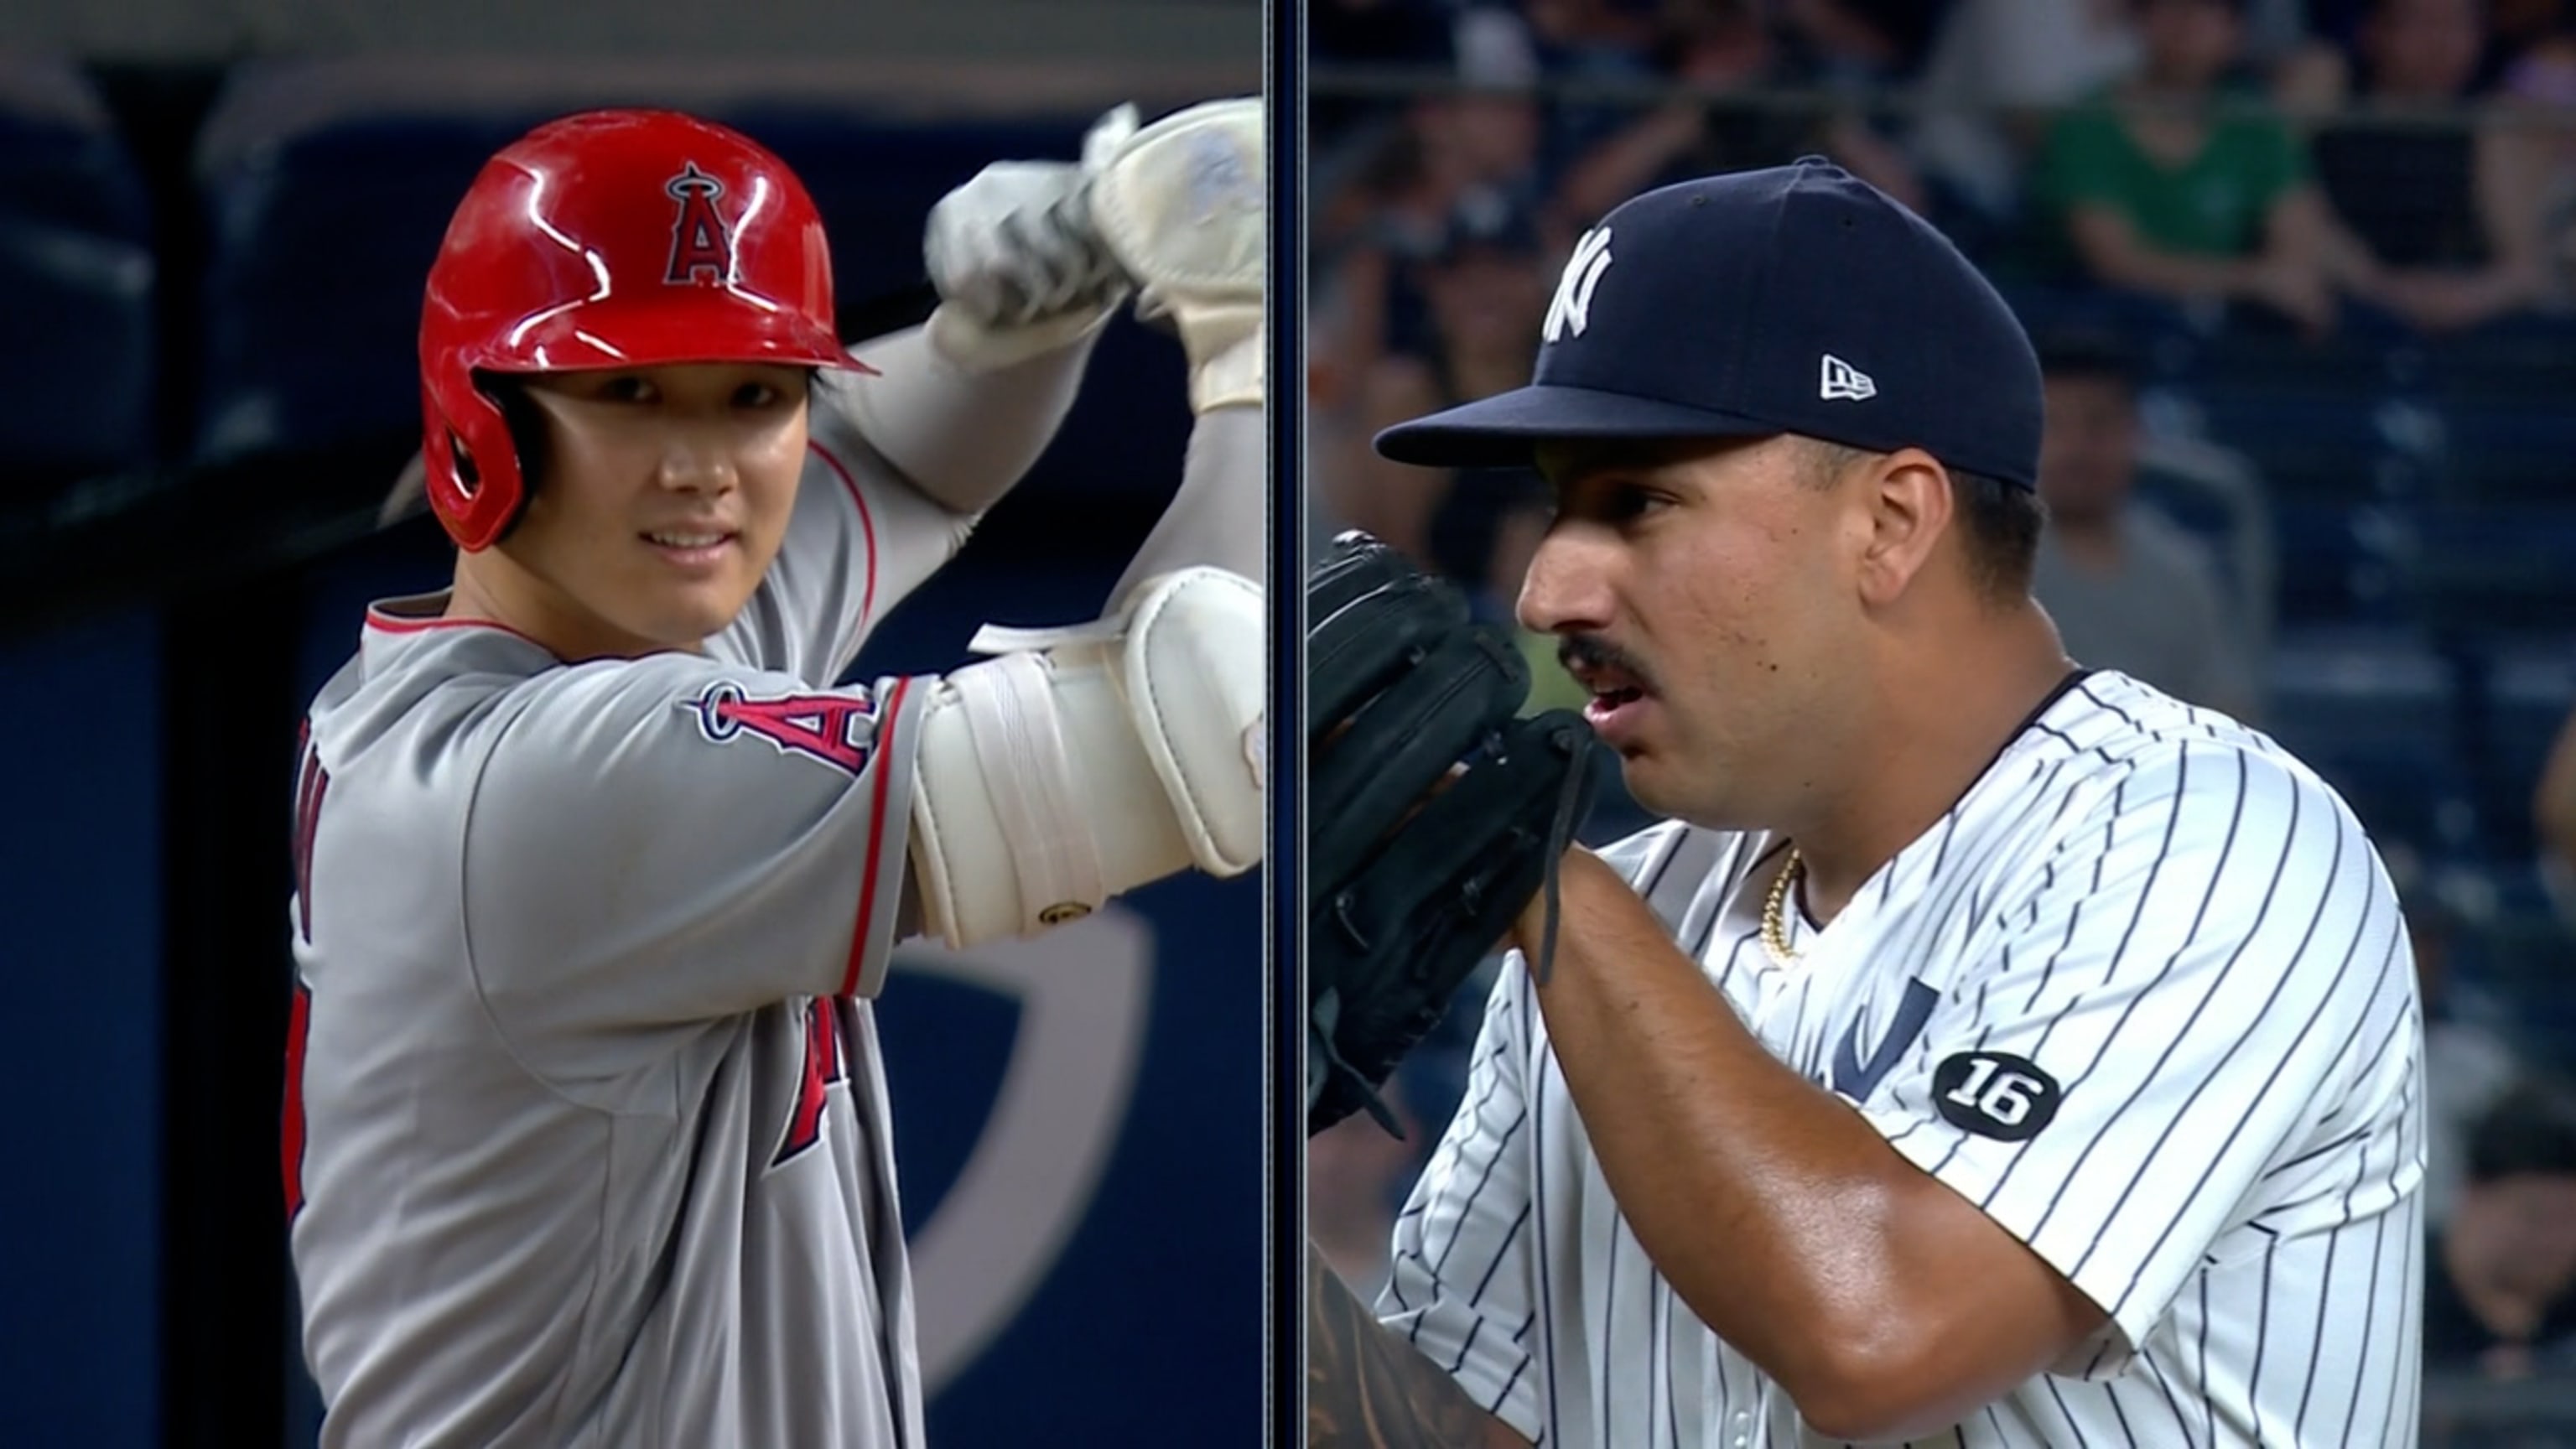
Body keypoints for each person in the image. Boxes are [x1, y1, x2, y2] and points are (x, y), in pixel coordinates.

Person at [1310, 158, 2423, 1446]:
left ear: (1892, 523)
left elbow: (1884, 1332)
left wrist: (1538, 884)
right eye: (1559, 507)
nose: (1552, 595)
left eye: (1640, 504)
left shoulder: (2212, 838)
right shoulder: (1610, 915)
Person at [283, 101, 1265, 1447]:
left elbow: (908, 456)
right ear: (484, 417)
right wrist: (1257, 364)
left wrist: (1028, 314)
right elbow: (1208, 739)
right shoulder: (548, 782)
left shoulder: (601, 632)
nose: (704, 472)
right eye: (627, 394)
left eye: (753, 396)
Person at [2035, 0, 2336, 334]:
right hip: (2108, 321)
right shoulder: (2089, 121)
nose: (2187, 23)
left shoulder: (2254, 120)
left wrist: (2281, 281)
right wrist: (2253, 279)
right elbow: (2115, 261)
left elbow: (2296, 235)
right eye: (2170, 7)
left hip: (2228, 325)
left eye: (2207, 10)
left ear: (2236, 31)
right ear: (2140, 20)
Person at [2028, 331, 2264, 720]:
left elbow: (2226, 712)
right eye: (2055, 425)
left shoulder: (2181, 572)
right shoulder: (1988, 560)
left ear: (2135, 432)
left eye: (2098, 424)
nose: (2077, 448)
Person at [2309, 0, 2557, 334]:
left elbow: (2524, 267)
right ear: (2373, 32)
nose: (2440, 42)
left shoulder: (2491, 125)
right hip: (2347, 302)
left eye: (2459, 25)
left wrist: (2464, 299)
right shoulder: (2330, 95)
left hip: (2460, 314)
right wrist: (2381, 286)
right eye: (2423, 23)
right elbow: (2294, 218)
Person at [2423, 1079, 2576, 1378]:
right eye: (2536, 1216)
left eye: (2571, 1221)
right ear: (2473, 1195)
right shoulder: (2403, 1300)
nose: (2553, 1240)